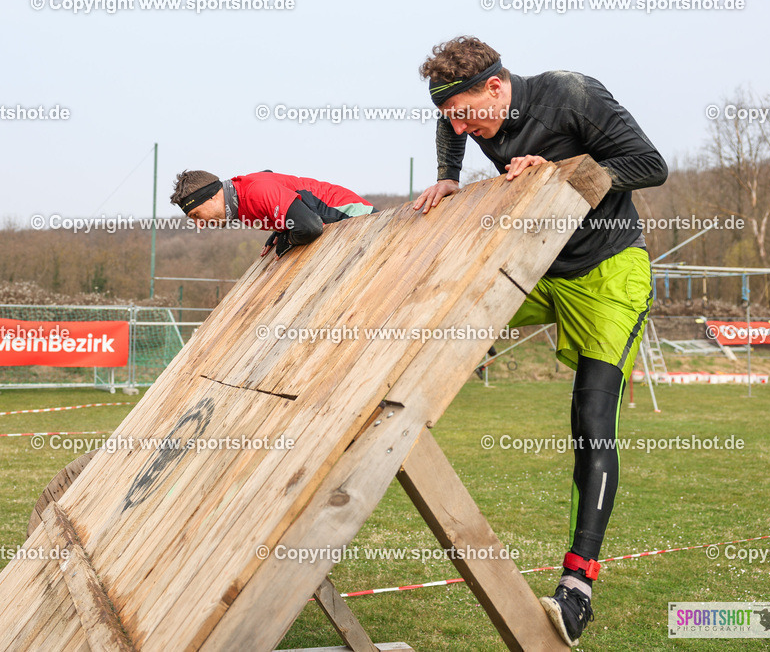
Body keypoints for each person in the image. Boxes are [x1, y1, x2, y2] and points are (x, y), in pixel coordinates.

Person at [414, 36, 667, 646]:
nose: (464, 127)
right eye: (453, 118)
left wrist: (561, 173)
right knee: (445, 311)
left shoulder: (569, 95)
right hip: (539, 267)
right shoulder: (463, 112)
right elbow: (448, 125)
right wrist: (448, 177)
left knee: (590, 417)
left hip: (608, 271)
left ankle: (578, 586)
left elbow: (651, 165)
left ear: (497, 87)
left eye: (470, 114)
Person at [170, 170, 375, 258]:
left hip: (354, 216)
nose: (199, 225)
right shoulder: (237, 199)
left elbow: (310, 227)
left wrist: (289, 238)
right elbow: (269, 174)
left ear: (212, 197)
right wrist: (283, 225)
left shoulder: (255, 192)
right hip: (340, 225)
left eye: (196, 215)